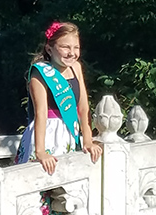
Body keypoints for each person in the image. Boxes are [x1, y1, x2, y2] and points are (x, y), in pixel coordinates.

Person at [15, 21, 102, 175]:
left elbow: (83, 107)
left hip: (69, 132)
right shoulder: (40, 73)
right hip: (47, 133)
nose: (72, 53)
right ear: (49, 48)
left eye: (76, 47)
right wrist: (40, 151)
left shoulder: (76, 68)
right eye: (65, 47)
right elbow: (40, 113)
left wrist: (88, 140)